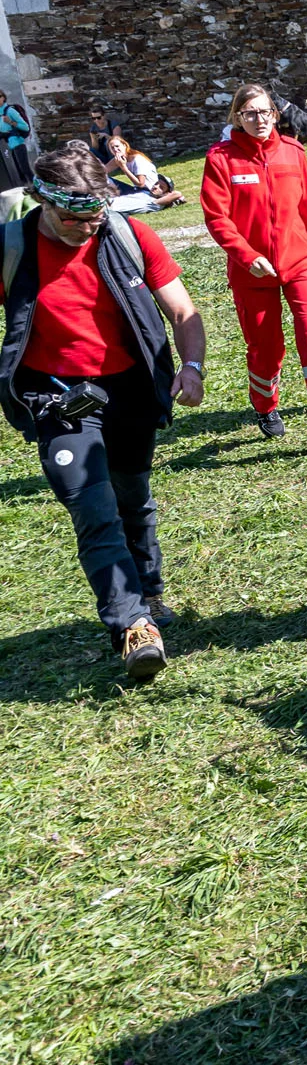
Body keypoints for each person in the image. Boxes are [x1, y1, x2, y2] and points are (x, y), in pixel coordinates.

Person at [0, 142, 207, 679]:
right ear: (41, 203)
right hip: (57, 401)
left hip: (131, 391)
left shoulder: (129, 235)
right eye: (72, 219)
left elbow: (183, 309)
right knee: (93, 508)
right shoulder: (11, 248)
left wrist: (192, 366)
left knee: (132, 498)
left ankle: (151, 593)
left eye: (94, 217)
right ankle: (132, 623)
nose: (84, 229)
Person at [201, 84, 307, 457]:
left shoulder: (293, 152)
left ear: (275, 114)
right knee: (266, 350)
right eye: (249, 113)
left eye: (265, 112)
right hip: (252, 273)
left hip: (302, 262)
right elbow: (217, 219)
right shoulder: (222, 159)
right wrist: (247, 256)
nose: (259, 120)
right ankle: (265, 404)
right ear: (236, 117)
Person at [101, 137, 185, 211]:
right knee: (102, 179)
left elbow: (141, 183)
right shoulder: (118, 159)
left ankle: (169, 198)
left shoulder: (137, 159)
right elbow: (101, 172)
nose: (115, 149)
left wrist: (123, 167)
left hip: (149, 191)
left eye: (117, 146)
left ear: (124, 145)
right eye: (112, 148)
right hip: (138, 190)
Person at [0, 90, 33, 189]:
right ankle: (24, 191)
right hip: (7, 146)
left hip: (17, 143)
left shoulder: (10, 111)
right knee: (17, 172)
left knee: (25, 170)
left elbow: (25, 127)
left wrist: (11, 122)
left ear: (3, 97)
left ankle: (36, 190)